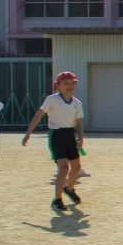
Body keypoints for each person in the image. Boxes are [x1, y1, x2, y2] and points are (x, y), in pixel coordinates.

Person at [22, 71, 85, 211]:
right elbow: (39, 115)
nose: (69, 86)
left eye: (72, 83)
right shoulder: (52, 99)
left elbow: (78, 123)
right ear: (59, 85)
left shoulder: (77, 103)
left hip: (70, 135)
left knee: (76, 167)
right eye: (66, 83)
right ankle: (57, 199)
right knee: (64, 167)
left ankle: (69, 188)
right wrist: (28, 133)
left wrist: (81, 137)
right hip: (56, 135)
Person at [51, 81, 90, 178]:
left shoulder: (74, 102)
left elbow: (77, 121)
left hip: (69, 131)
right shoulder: (53, 101)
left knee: (74, 150)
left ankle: (77, 169)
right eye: (57, 89)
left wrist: (80, 134)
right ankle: (60, 167)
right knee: (57, 151)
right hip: (56, 131)